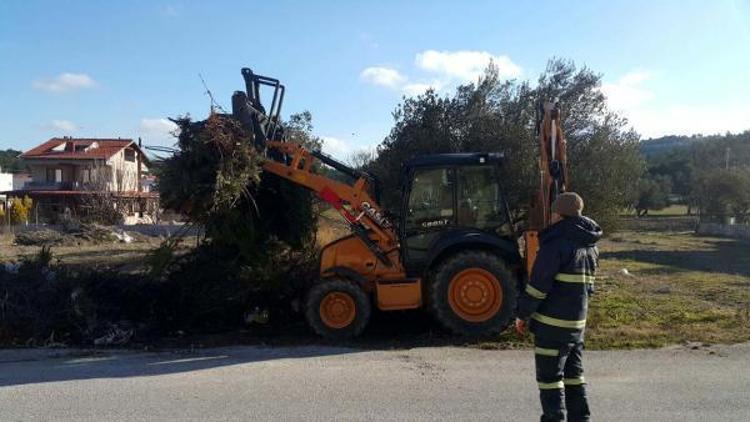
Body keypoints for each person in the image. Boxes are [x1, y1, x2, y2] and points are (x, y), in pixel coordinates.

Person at [515, 192, 602, 422]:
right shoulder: (591, 246)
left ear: (557, 214)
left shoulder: (555, 245)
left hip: (551, 328)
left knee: (550, 380)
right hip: (576, 327)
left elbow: (538, 287)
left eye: (552, 213)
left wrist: (522, 314)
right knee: (575, 377)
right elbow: (589, 289)